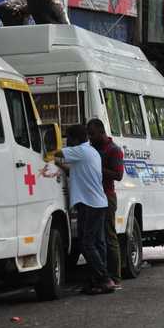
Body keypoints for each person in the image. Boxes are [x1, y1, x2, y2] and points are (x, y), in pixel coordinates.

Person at [55, 125, 113, 295]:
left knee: (87, 244)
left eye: (68, 138)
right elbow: (75, 171)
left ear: (74, 139)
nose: (67, 141)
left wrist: (51, 157)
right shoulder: (90, 152)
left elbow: (56, 153)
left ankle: (104, 279)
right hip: (98, 203)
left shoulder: (79, 150)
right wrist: (61, 166)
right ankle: (97, 281)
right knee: (97, 243)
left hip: (90, 205)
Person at [87, 118, 124, 290]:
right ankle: (101, 277)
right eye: (88, 135)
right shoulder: (91, 148)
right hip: (94, 197)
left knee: (109, 237)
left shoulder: (113, 150)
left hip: (107, 197)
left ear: (102, 132)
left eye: (92, 134)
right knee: (97, 239)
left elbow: (118, 175)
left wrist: (96, 169)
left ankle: (115, 277)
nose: (90, 138)